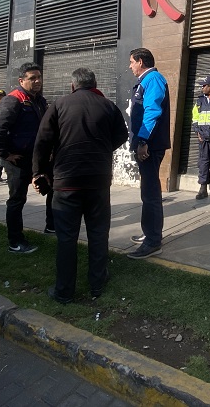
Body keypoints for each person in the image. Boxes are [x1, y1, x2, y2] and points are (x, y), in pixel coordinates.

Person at [32, 68, 128, 303]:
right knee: (98, 233)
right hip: (98, 180)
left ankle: (64, 292)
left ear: (73, 85)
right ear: (94, 83)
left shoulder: (60, 104)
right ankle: (97, 282)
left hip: (66, 182)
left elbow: (43, 140)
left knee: (66, 238)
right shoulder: (108, 106)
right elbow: (122, 136)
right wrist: (102, 150)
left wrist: (39, 171)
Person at [0, 63, 49, 253]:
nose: (37, 81)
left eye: (39, 77)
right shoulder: (14, 100)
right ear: (21, 81)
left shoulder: (39, 100)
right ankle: (15, 241)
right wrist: (6, 154)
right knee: (17, 199)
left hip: (37, 157)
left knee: (52, 188)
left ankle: (51, 226)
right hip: (18, 160)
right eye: (32, 78)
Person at [127, 47, 170, 260]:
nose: (130, 66)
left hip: (149, 147)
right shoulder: (147, 80)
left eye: (132, 62)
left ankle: (153, 242)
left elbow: (152, 111)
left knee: (151, 194)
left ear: (141, 61)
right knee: (147, 192)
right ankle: (149, 233)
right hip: (146, 145)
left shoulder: (153, 79)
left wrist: (143, 141)